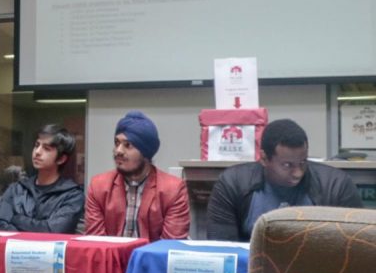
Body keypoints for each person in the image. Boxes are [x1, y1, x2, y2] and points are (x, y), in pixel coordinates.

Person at [207, 118, 362, 241]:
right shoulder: (232, 184)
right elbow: (224, 251)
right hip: (254, 272)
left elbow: (355, 245)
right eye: (287, 165)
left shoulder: (336, 185)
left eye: (302, 162)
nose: (298, 173)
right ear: (264, 158)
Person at [85, 110, 190, 241]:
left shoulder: (173, 189)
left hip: (152, 261)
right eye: (117, 143)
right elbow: (96, 243)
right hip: (110, 260)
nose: (118, 151)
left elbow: (169, 247)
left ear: (146, 153)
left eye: (127, 145)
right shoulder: (98, 186)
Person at [0, 124, 84, 233]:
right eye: (37, 145)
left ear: (61, 159)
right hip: (13, 249)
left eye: (46, 148)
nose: (37, 152)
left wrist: (15, 218)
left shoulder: (72, 195)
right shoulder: (16, 189)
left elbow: (52, 230)